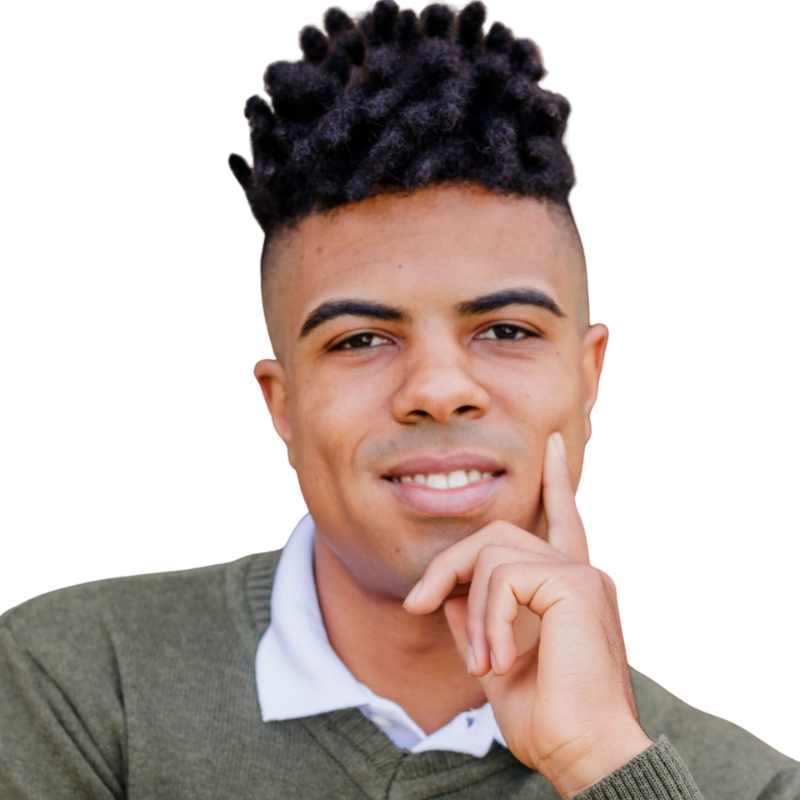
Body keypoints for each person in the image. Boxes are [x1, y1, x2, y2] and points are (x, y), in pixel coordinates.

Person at [1, 1, 796, 798]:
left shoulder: (749, 786)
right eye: (360, 340)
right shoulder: (76, 681)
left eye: (506, 330)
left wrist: (601, 760)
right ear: (281, 405)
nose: (438, 391)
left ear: (591, 377)